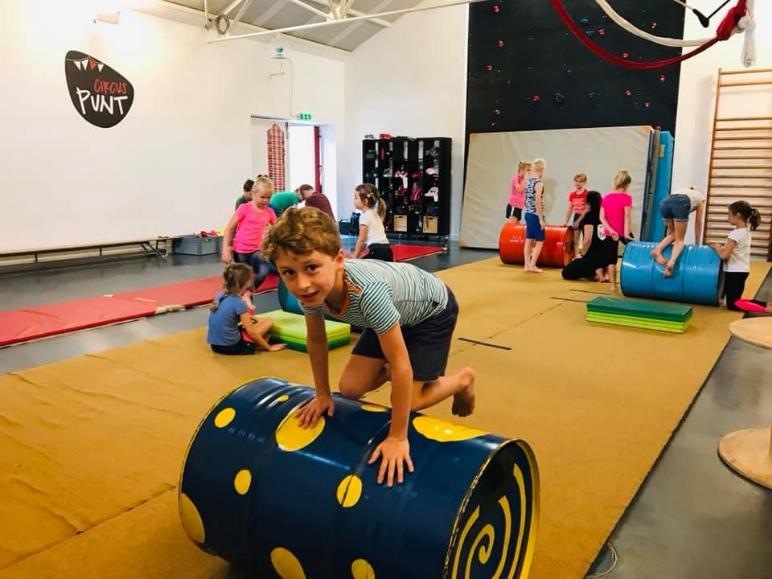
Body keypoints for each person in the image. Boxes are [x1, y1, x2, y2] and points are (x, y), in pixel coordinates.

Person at [261, 207, 476, 487]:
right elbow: (316, 339)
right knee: (349, 388)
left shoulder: (368, 294)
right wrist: (322, 394)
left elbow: (400, 363)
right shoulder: (311, 294)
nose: (302, 284)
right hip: (389, 313)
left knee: (408, 401)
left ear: (339, 260)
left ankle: (462, 381)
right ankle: (394, 374)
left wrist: (397, 437)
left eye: (311, 267)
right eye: (289, 273)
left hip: (431, 311)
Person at [207, 263, 286, 354]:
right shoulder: (238, 303)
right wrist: (269, 347)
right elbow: (252, 332)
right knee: (268, 321)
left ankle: (258, 342)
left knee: (255, 323)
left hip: (215, 346)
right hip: (232, 347)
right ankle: (256, 344)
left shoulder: (220, 295)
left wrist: (252, 318)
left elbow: (227, 314)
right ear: (246, 282)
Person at [222, 175, 277, 289]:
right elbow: (229, 229)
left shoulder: (269, 212)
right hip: (240, 251)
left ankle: (247, 293)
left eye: (269, 197)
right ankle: (242, 296)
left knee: (264, 271)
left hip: (256, 250)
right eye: (262, 197)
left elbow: (278, 228)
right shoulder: (244, 208)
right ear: (253, 194)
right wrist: (225, 249)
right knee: (243, 280)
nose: (266, 200)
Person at [710, 200, 761, 311]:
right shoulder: (746, 230)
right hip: (740, 270)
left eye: (729, 214)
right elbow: (732, 251)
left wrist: (717, 247)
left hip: (735, 272)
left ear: (738, 215)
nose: (727, 218)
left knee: (733, 305)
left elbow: (724, 255)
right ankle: (766, 305)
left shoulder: (735, 234)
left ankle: (765, 307)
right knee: (734, 301)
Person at [650, 186, 706, 277]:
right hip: (680, 203)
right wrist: (697, 243)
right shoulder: (701, 198)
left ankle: (657, 250)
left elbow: (670, 232)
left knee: (673, 234)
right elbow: (698, 222)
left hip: (665, 202)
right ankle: (670, 264)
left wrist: (669, 244)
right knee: (680, 240)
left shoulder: (681, 191)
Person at [561, 191, 608, 281]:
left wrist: (583, 254)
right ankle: (600, 271)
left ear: (588, 203)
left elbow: (588, 239)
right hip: (603, 256)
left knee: (566, 272)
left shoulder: (590, 216)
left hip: (592, 256)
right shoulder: (603, 216)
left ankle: (595, 273)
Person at [599, 170, 634, 290]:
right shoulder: (627, 197)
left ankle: (613, 286)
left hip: (610, 233)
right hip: (623, 231)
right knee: (633, 253)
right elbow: (627, 216)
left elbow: (602, 218)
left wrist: (610, 230)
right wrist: (626, 234)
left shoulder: (606, 197)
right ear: (627, 184)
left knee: (611, 260)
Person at [352, 183, 393, 261]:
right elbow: (364, 243)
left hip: (378, 253)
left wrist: (354, 257)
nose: (353, 200)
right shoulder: (375, 214)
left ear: (365, 201)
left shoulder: (364, 216)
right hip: (388, 251)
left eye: (356, 198)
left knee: (358, 266)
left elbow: (361, 240)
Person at [523, 158, 547, 273]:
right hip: (535, 215)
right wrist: (541, 219)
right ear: (542, 170)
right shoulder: (539, 183)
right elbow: (538, 201)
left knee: (529, 239)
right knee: (540, 240)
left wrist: (528, 208)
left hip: (528, 213)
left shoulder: (528, 182)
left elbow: (525, 199)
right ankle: (532, 265)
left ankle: (527, 265)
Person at [564, 173, 589, 253]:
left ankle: (585, 256)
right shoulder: (572, 195)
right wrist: (566, 221)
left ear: (584, 183)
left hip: (585, 217)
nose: (578, 183)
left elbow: (587, 209)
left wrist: (578, 221)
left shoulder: (587, 194)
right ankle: (576, 257)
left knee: (586, 240)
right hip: (576, 216)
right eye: (576, 181)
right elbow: (570, 209)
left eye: (580, 181)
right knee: (576, 240)